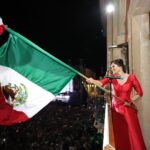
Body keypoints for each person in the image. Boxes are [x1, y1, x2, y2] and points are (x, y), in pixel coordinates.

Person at [86, 58, 146, 150]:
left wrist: (130, 101)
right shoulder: (112, 78)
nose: (112, 68)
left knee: (132, 133)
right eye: (111, 67)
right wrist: (92, 81)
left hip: (127, 108)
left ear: (120, 66)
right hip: (115, 109)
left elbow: (140, 93)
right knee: (119, 134)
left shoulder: (131, 77)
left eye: (113, 66)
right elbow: (101, 83)